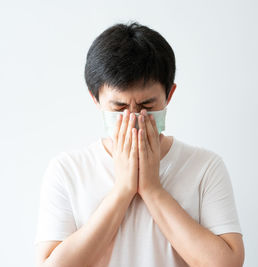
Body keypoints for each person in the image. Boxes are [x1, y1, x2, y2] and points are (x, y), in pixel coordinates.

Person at [34, 21, 244, 267]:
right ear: (95, 99)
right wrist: (123, 190)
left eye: (147, 106)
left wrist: (153, 189)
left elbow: (227, 263)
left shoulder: (205, 166)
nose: (133, 118)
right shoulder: (67, 170)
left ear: (169, 95)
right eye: (119, 107)